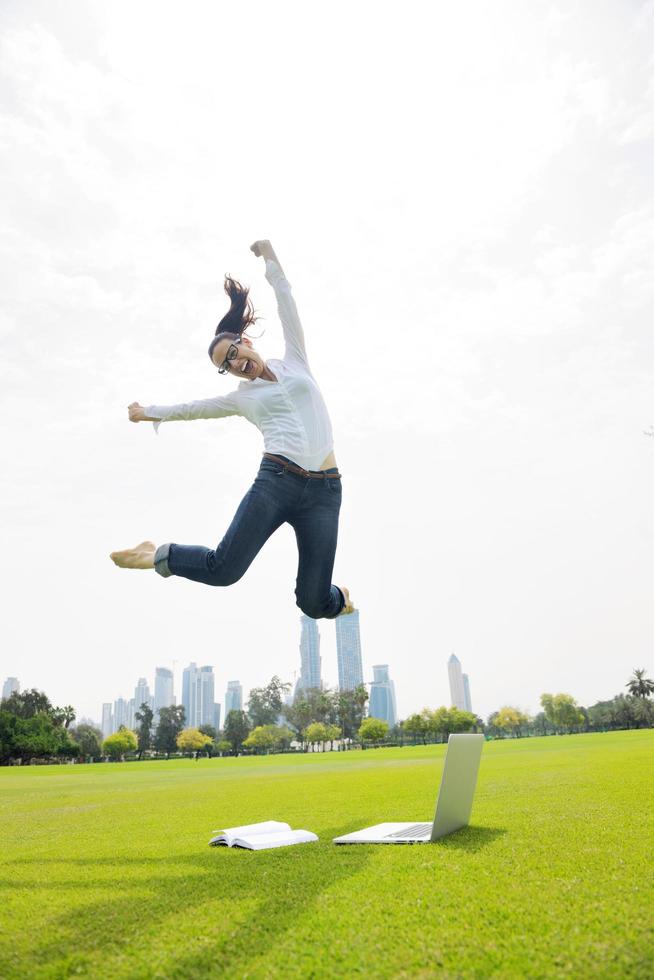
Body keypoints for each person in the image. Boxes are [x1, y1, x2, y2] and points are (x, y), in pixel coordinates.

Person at [110, 239, 354, 619]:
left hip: (325, 492)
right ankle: (157, 554)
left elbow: (286, 301)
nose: (236, 364)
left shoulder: (296, 360)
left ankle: (339, 599)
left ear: (245, 341)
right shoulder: (242, 399)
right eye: (226, 365)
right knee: (223, 570)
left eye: (234, 353)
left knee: (313, 603)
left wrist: (271, 258)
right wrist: (149, 411)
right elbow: (194, 409)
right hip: (277, 483)